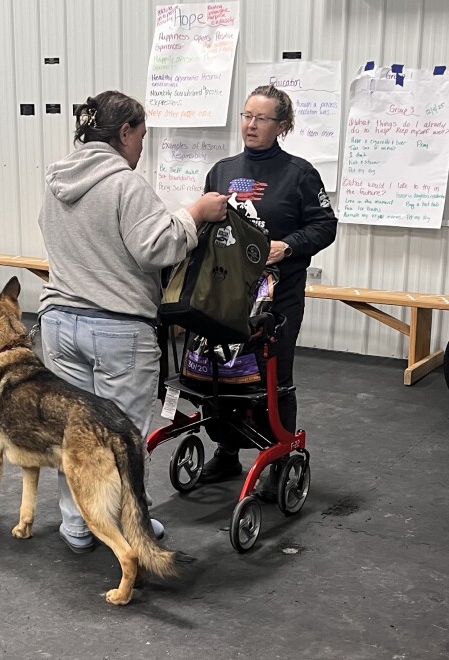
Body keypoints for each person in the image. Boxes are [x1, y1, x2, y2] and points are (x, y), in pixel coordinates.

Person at [37, 90, 228, 553]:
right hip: (118, 329)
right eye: (141, 137)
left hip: (59, 322)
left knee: (76, 435)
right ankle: (126, 528)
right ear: (124, 133)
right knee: (121, 438)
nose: (142, 149)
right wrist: (195, 214)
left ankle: (79, 525)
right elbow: (155, 248)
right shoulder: (126, 183)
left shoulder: (57, 178)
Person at [199, 84, 338, 491]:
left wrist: (288, 246)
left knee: (273, 372)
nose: (251, 124)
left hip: (280, 295)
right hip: (228, 291)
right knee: (223, 370)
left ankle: (280, 454)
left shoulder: (299, 173)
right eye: (246, 116)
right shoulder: (222, 170)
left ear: (283, 125)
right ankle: (227, 452)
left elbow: (325, 225)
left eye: (261, 118)